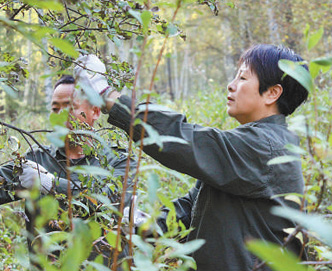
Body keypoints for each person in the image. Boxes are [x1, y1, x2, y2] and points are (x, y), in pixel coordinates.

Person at [78, 45, 309, 271]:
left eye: (242, 78)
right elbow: (192, 208)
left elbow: (184, 140)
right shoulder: (254, 144)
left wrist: (107, 96)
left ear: (272, 93)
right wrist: (143, 223)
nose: (231, 85)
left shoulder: (267, 148)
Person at [0, 55, 136, 268]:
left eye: (69, 106)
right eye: (55, 109)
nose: (60, 115)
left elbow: (111, 204)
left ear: (95, 111)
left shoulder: (119, 162)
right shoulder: (35, 160)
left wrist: (51, 185)